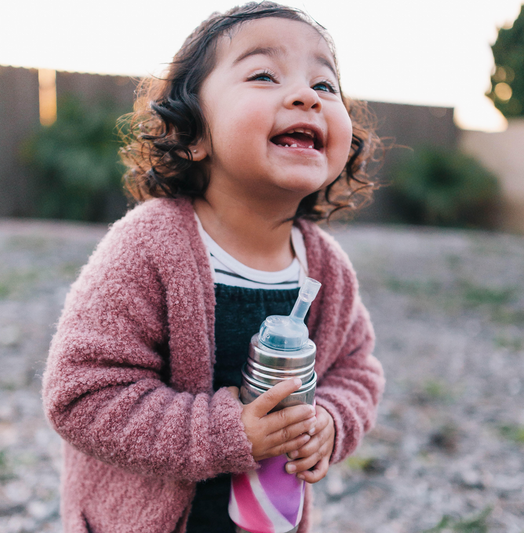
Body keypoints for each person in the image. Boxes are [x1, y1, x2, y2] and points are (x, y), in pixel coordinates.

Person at [42, 3, 385, 532]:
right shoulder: (149, 245)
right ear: (194, 134)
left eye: (325, 84)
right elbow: (83, 392)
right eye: (264, 75)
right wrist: (226, 432)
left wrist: (331, 420)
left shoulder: (326, 269)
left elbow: (356, 370)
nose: (305, 96)